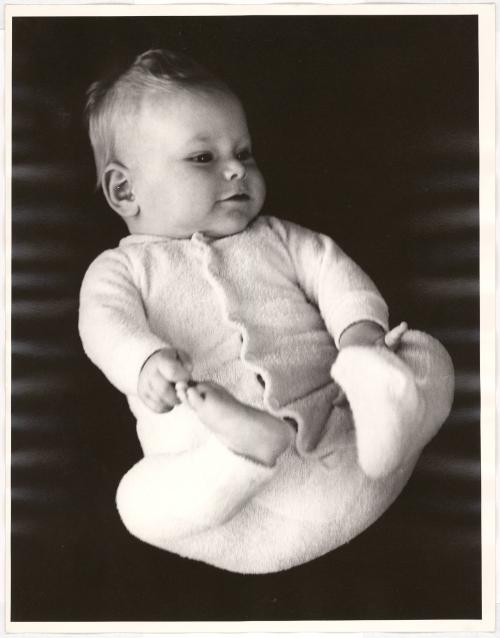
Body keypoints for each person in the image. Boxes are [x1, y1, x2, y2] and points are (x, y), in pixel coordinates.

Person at [79, 49, 454, 573]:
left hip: (347, 442)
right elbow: (103, 324)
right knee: (136, 504)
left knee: (424, 353)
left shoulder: (277, 238)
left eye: (245, 152)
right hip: (240, 513)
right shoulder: (120, 270)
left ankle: (386, 419)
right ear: (125, 189)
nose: (236, 168)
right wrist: (143, 362)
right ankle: (240, 451)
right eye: (203, 158)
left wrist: (360, 342)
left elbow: (338, 279)